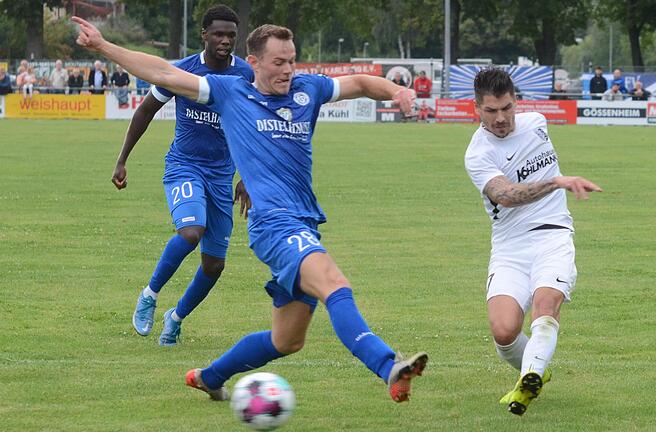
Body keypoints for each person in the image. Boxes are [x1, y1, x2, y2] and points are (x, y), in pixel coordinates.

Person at [74, 17, 428, 402]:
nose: (289, 70)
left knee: (286, 340)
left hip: (304, 221)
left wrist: (397, 91)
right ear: (254, 63)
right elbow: (162, 72)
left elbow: (359, 82)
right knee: (333, 283)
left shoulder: (308, 89)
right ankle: (388, 365)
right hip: (273, 224)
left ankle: (210, 376)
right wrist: (104, 47)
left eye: (292, 60)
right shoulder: (230, 93)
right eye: (278, 62)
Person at [463, 68, 601, 416]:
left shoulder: (537, 122)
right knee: (504, 330)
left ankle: (530, 378)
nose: (501, 118)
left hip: (554, 233)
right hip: (509, 246)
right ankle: (535, 369)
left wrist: (555, 186)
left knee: (546, 303)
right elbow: (505, 195)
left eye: (507, 108)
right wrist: (555, 182)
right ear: (476, 108)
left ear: (516, 102)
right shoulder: (478, 154)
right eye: (491, 111)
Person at [115, 5, 253, 346]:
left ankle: (175, 318)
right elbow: (146, 110)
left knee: (214, 265)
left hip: (222, 175)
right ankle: (149, 294)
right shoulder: (183, 71)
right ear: (204, 34)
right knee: (191, 232)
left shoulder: (246, 75)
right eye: (219, 34)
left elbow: (253, 129)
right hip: (184, 166)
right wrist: (122, 160)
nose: (225, 41)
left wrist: (249, 176)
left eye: (231, 36)